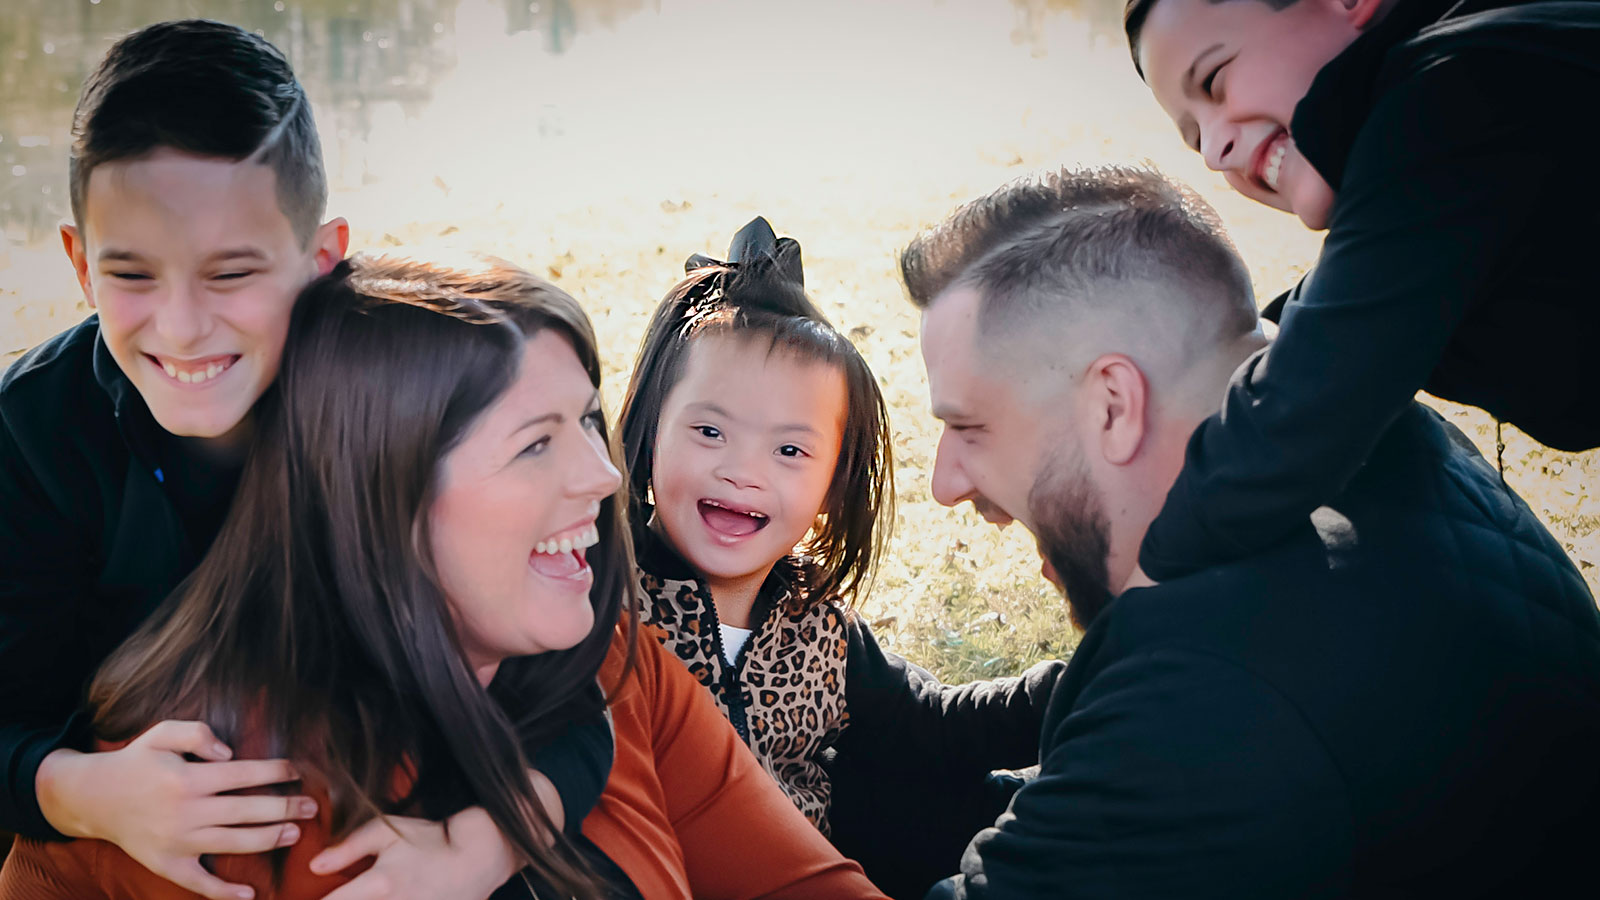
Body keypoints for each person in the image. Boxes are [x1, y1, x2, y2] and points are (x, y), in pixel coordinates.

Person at [0, 253, 891, 900]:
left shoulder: (609, 666)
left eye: (586, 420)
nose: (605, 474)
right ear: (381, 502)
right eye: (535, 444)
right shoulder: (196, 806)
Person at [0, 23, 607, 900]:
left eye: (230, 273)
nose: (181, 327)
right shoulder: (28, 434)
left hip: (383, 797)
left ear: (322, 259)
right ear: (78, 265)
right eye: (132, 275)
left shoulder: (374, 393)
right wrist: (84, 795)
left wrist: (482, 849)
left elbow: (571, 706)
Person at [900, 165, 1600, 898]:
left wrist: (760, 814)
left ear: (1113, 404)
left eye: (968, 426)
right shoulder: (1391, 450)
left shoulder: (1202, 697)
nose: (947, 483)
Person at [616, 218, 1063, 898]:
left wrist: (1071, 688)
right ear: (650, 437)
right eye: (710, 431)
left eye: (790, 451)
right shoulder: (610, 613)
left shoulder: (819, 628)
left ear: (833, 488)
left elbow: (932, 727)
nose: (744, 471)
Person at [1117, 0, 1600, 585]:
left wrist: (1135, 578)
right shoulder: (1470, 75)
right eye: (1195, 137)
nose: (1216, 150)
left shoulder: (1451, 94)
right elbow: (1344, 311)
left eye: (1215, 80)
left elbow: (1308, 410)